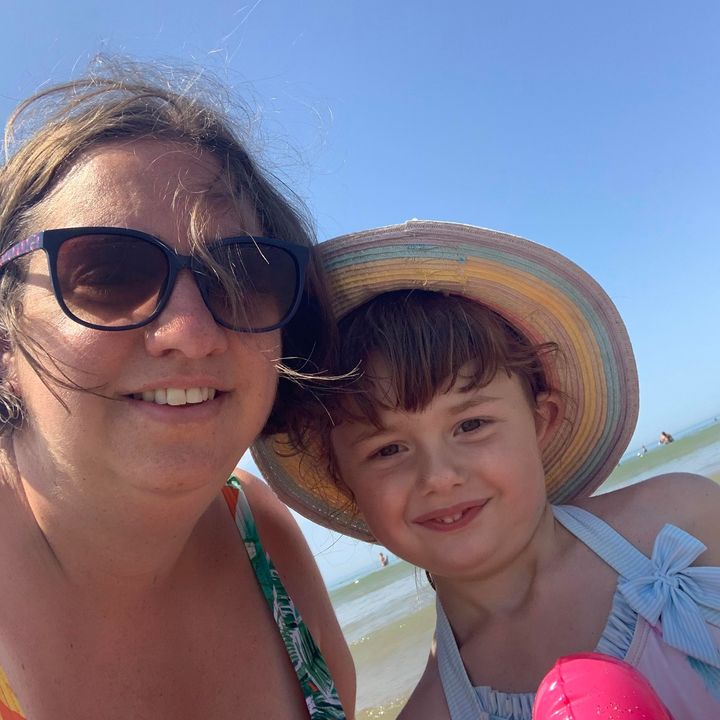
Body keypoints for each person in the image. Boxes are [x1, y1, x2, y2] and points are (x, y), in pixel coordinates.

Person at [0, 59, 355, 720]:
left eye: (242, 274)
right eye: (108, 273)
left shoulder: (260, 530)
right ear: (5, 340)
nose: (191, 333)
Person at [252, 220, 720, 720]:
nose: (439, 476)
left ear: (542, 421)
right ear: (346, 483)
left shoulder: (682, 524)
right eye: (387, 450)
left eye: (471, 424)